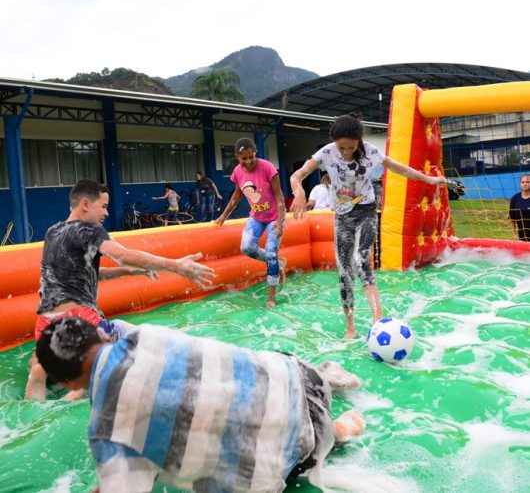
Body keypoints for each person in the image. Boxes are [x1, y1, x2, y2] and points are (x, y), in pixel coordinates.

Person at [36, 317, 365, 493]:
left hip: (301, 443)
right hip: (294, 372)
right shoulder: (144, 335)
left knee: (324, 435)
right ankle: (331, 378)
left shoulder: (108, 434)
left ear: (66, 383)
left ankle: (345, 427)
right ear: (101, 335)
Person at [25, 179, 215, 401]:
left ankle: (39, 380)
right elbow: (121, 253)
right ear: (85, 204)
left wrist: (129, 272)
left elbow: (83, 275)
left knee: (41, 367)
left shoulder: (53, 232)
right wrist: (177, 266)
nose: (106, 213)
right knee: (140, 344)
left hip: (46, 322)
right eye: (104, 206)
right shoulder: (89, 230)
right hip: (80, 320)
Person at [290, 115, 447, 339]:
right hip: (342, 216)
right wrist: (299, 191)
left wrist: (428, 180)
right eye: (341, 147)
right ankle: (350, 326)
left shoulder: (371, 152)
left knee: (362, 261)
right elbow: (297, 175)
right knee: (344, 272)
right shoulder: (326, 152)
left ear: (359, 141)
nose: (345, 152)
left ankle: (377, 321)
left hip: (366, 210)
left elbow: (399, 168)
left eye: (351, 147)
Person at [215, 138, 286, 308]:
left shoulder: (267, 167)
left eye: (250, 157)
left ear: (255, 153)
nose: (248, 161)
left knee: (270, 252)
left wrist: (281, 221)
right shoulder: (238, 172)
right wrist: (223, 216)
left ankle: (271, 297)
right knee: (246, 247)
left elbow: (279, 196)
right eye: (243, 158)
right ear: (237, 157)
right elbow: (236, 196)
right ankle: (277, 263)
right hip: (256, 217)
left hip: (274, 217)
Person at [509, 174, 530, 242]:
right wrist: (514, 234)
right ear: (520, 184)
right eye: (523, 182)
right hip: (521, 238)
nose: (525, 184)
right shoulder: (515, 199)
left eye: (527, 182)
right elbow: (512, 219)